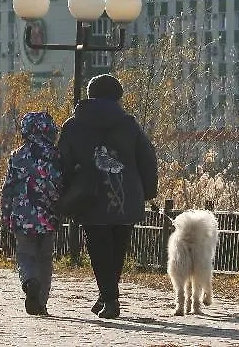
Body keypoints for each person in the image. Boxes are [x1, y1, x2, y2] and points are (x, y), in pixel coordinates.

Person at [57, 74, 157, 319]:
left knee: (99, 248)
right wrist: (148, 192)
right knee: (117, 249)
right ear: (118, 96)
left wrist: (64, 190)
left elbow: (62, 162)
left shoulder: (73, 125)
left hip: (90, 197)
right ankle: (107, 295)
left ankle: (110, 299)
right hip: (125, 194)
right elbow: (147, 159)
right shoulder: (129, 124)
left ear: (90, 94)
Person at [0, 111, 62, 316]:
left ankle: (29, 281)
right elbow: (60, 185)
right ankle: (41, 301)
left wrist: (6, 216)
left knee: (26, 254)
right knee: (45, 258)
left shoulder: (17, 155)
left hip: (22, 216)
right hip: (48, 216)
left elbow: (8, 189)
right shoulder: (55, 155)